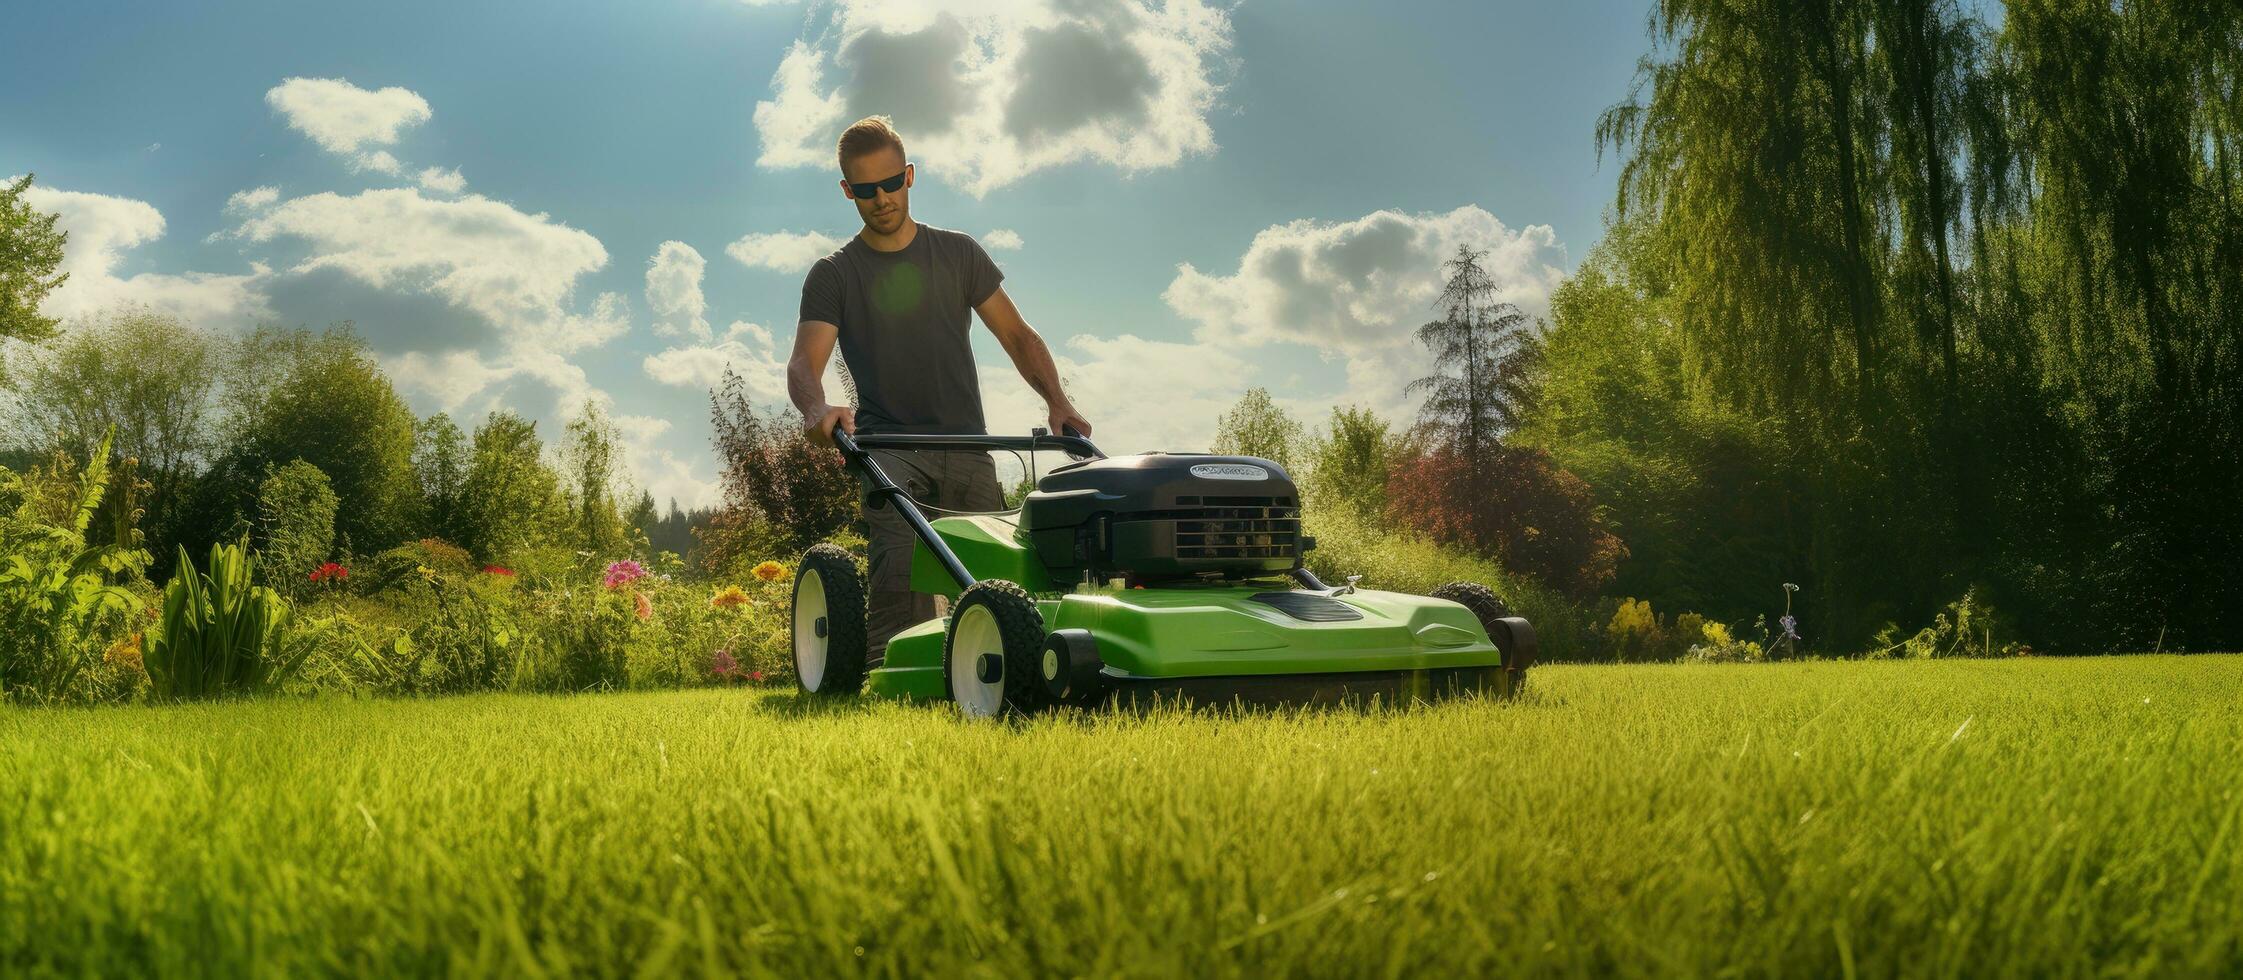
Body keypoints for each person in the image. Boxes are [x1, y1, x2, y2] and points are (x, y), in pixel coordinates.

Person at [787, 115, 1093, 663]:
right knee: (902, 584)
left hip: (968, 447)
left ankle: (1010, 680)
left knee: (998, 582)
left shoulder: (958, 254)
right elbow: (804, 363)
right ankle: (895, 689)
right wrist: (816, 409)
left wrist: (1058, 401)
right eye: (864, 190)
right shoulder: (835, 274)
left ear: (909, 176)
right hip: (888, 450)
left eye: (889, 184)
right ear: (847, 191)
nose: (880, 199)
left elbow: (1018, 336)